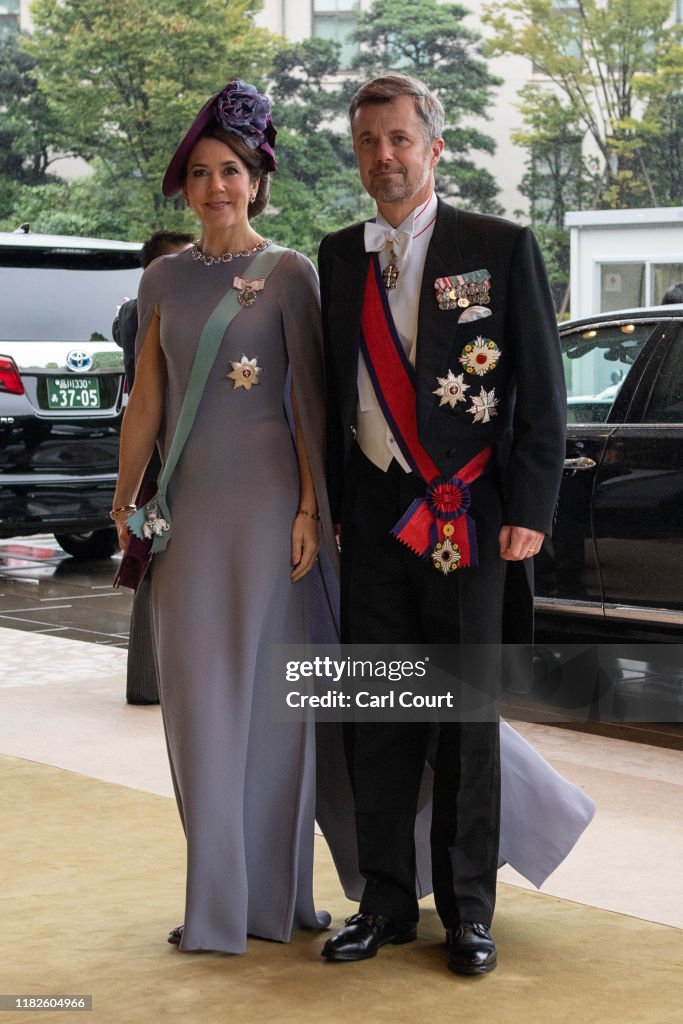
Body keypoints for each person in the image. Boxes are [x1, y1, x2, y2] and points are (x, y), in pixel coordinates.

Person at [318, 74, 567, 975]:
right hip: (376, 512)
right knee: (379, 716)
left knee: (465, 719)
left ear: (434, 147)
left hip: (471, 513)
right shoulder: (339, 253)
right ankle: (383, 902)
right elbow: (332, 395)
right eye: (367, 142)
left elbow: (540, 387)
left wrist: (531, 511)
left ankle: (467, 911)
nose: (382, 157)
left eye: (398, 140)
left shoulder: (496, 245)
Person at [111, 79, 339, 953]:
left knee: (276, 709)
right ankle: (214, 904)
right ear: (185, 185)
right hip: (188, 520)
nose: (216, 188)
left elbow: (308, 406)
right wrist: (124, 497)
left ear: (257, 179)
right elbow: (146, 404)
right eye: (202, 173)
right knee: (198, 710)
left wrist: (313, 509)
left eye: (232, 171)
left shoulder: (289, 274)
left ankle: (273, 900)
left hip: (274, 515)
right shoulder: (163, 275)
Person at [113, 230, 193, 706]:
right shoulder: (139, 310)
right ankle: (147, 679)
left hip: (193, 453)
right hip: (161, 454)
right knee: (149, 557)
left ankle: (153, 678)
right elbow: (146, 395)